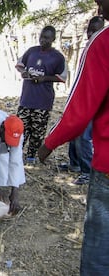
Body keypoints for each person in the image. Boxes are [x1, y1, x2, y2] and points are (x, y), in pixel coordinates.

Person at [38, 1, 109, 274]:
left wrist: (47, 146)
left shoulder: (102, 43)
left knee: (99, 254)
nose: (99, 7)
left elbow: (79, 112)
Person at [60, 15, 104, 185]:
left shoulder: (101, 49)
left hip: (92, 100)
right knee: (74, 132)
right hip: (81, 97)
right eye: (89, 30)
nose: (91, 34)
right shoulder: (87, 48)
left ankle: (87, 171)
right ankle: (75, 164)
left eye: (95, 31)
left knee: (83, 136)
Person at [15, 25, 67, 164]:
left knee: (37, 131)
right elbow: (20, 65)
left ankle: (31, 156)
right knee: (20, 129)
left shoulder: (57, 57)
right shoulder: (32, 51)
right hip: (26, 99)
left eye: (47, 38)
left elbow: (62, 77)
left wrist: (45, 78)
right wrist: (24, 73)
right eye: (41, 37)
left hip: (43, 101)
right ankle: (16, 155)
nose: (43, 40)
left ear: (53, 39)